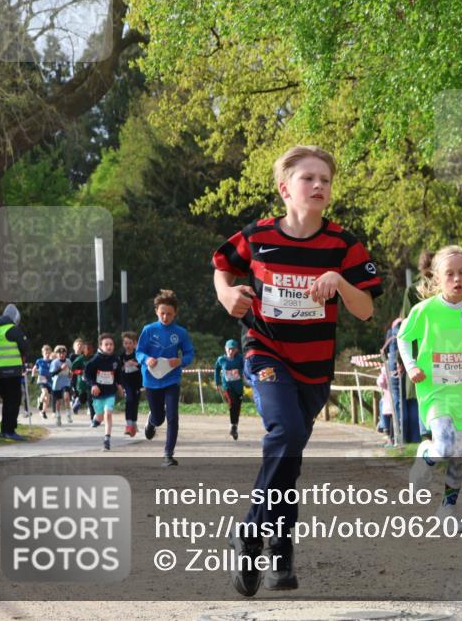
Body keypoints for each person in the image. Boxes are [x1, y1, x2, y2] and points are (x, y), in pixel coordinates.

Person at [212, 145, 381, 596]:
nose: (319, 185)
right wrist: (226, 295)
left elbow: (366, 310)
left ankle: (278, 547)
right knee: (284, 434)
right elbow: (222, 267)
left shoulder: (343, 245)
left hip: (314, 367)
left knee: (288, 458)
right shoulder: (258, 235)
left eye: (325, 179)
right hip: (265, 351)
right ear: (285, 189)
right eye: (309, 178)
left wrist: (340, 282)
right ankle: (252, 536)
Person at [396, 245, 462, 517]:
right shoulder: (425, 310)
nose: (457, 279)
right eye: (450, 274)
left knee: (458, 455)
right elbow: (403, 337)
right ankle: (425, 457)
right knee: (443, 446)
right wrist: (411, 366)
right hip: (435, 390)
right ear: (437, 278)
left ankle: (448, 508)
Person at [137, 289, 195, 466]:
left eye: (169, 314)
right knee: (159, 418)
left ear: (175, 313)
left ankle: (168, 454)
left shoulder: (181, 332)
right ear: (156, 311)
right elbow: (139, 352)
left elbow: (189, 353)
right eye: (162, 313)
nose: (165, 317)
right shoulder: (148, 330)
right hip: (151, 379)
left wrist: (180, 361)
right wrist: (147, 359)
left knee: (172, 416)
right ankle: (152, 421)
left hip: (172, 379)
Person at [0, 304, 31, 441]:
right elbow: (25, 346)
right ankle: (10, 430)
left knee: (7, 401)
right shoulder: (12, 329)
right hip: (12, 371)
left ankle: (4, 430)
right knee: (14, 400)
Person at [85, 333, 122, 451]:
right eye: (106, 344)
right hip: (98, 394)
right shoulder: (95, 360)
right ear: (101, 346)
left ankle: (107, 440)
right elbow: (86, 375)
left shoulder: (115, 360)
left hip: (110, 393)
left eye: (111, 344)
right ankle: (96, 420)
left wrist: (119, 385)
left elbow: (118, 375)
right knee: (100, 417)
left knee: (108, 414)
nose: (109, 346)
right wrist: (93, 385)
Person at [214, 339, 245, 440]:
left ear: (236, 350)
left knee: (237, 406)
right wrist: (217, 382)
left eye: (233, 349)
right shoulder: (221, 359)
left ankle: (234, 427)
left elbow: (246, 368)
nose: (231, 351)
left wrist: (242, 373)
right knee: (232, 403)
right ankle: (233, 425)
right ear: (225, 349)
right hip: (227, 386)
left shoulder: (240, 358)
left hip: (238, 387)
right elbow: (217, 369)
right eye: (229, 349)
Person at [119, 332, 143, 436]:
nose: (128, 345)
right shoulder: (121, 356)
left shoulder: (138, 355)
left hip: (137, 383)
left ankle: (134, 423)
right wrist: (124, 366)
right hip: (126, 383)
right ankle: (128, 424)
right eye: (125, 343)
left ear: (134, 344)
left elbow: (144, 366)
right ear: (123, 344)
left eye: (130, 343)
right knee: (129, 401)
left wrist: (135, 364)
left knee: (135, 402)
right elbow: (118, 370)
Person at [49, 346, 73, 425]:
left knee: (66, 397)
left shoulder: (68, 361)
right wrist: (60, 369)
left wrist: (70, 373)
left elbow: (70, 370)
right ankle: (58, 416)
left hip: (66, 382)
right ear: (56, 354)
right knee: (58, 401)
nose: (62, 355)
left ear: (66, 353)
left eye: (63, 353)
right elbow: (52, 374)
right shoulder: (55, 362)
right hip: (57, 383)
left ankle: (68, 414)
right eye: (59, 353)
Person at [33, 345, 53, 419]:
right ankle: (40, 402)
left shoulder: (52, 361)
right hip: (42, 379)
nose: (47, 354)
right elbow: (34, 369)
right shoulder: (39, 361)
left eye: (49, 353)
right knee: (45, 392)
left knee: (47, 398)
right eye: (46, 353)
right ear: (42, 353)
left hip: (50, 381)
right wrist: (33, 377)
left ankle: (43, 411)